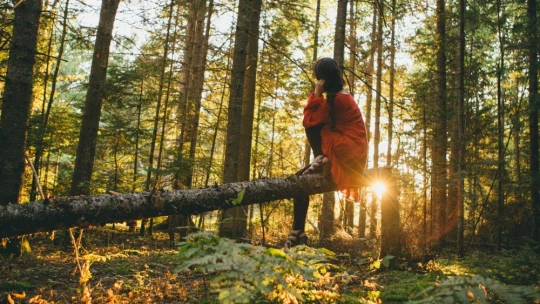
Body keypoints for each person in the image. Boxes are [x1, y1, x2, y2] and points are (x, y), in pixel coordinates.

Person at [285, 57, 368, 249]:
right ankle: (298, 230)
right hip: (348, 151)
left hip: (348, 152)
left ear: (323, 79)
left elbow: (308, 120)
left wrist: (316, 94)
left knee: (313, 126)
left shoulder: (338, 99)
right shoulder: (339, 96)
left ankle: (321, 157)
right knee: (300, 179)